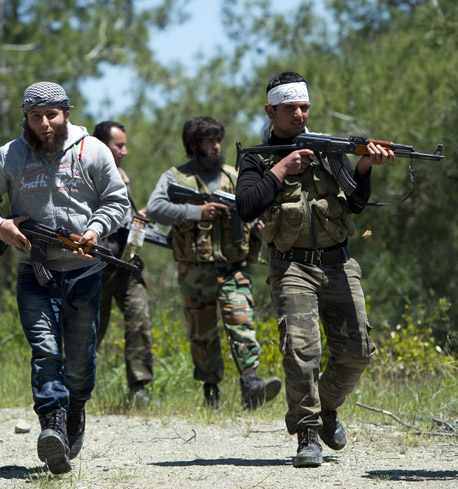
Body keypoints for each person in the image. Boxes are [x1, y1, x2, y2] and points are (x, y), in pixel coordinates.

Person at [235, 72, 395, 468]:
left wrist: (364, 169)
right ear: (271, 111)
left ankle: (325, 410)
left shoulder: (329, 150)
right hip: (291, 267)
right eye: (290, 108)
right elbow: (246, 206)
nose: (299, 114)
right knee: (301, 352)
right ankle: (307, 434)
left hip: (339, 262)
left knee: (358, 350)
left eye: (304, 106)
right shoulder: (257, 157)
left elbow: (355, 203)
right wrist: (281, 169)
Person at [0, 82, 129, 474]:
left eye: (51, 115)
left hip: (83, 273)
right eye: (35, 117)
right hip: (33, 273)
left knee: (79, 359)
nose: (44, 124)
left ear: (67, 114)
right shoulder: (10, 155)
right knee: (45, 352)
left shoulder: (93, 151)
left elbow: (117, 201)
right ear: (26, 118)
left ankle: (75, 410)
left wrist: (94, 231)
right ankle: (52, 426)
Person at [146, 116, 281, 411]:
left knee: (242, 323)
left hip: (234, 267)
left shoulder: (234, 176)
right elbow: (155, 207)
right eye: (209, 141)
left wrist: (258, 224)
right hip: (195, 270)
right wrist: (196, 212)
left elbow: (254, 206)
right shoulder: (176, 177)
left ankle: (251, 383)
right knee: (202, 332)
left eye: (218, 140)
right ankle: (211, 391)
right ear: (193, 146)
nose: (216, 146)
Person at [92, 121, 153, 405]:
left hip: (127, 265)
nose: (125, 151)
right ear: (103, 146)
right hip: (96, 269)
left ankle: (139, 389)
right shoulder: (87, 175)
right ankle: (76, 388)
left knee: (139, 321)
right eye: (119, 145)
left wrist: (138, 218)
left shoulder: (122, 175)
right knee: (91, 329)